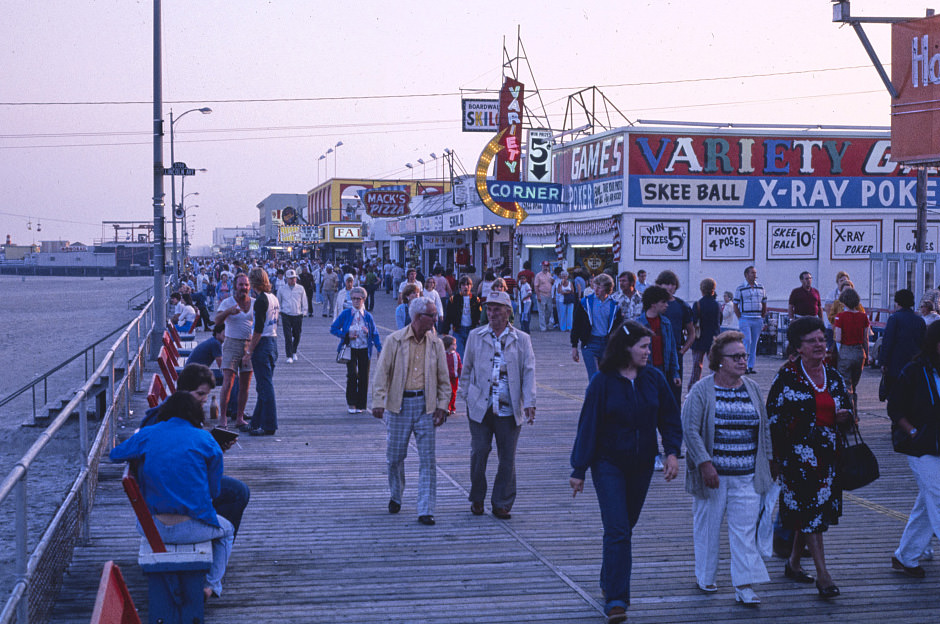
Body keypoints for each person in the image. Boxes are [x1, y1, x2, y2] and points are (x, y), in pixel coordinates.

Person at [569, 320, 682, 624]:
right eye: (644, 346)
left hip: (642, 464)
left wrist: (672, 452)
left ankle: (608, 578)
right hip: (608, 463)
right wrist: (578, 468)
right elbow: (588, 426)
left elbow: (670, 418)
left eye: (649, 346)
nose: (649, 351)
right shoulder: (602, 382)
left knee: (623, 527)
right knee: (618, 528)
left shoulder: (654, 379)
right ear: (626, 348)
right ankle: (617, 599)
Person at [110, 392, 235, 599]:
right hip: (192, 528)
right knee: (227, 530)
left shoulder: (148, 434)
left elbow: (115, 455)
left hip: (151, 528)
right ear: (197, 414)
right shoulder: (206, 440)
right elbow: (214, 492)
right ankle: (212, 585)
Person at [767, 316, 854, 599]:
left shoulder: (835, 376)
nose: (819, 345)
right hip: (797, 459)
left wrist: (844, 417)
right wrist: (774, 459)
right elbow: (775, 417)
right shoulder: (788, 376)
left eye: (822, 339)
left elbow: (848, 412)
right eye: (812, 341)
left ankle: (793, 563)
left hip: (828, 458)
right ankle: (823, 575)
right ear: (798, 347)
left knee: (812, 512)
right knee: (811, 513)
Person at [682, 331, 772, 604]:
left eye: (744, 356)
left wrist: (769, 463)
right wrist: (705, 463)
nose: (743, 361)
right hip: (713, 476)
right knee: (708, 528)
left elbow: (763, 427)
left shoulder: (752, 388)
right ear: (718, 360)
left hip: (746, 475)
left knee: (744, 531)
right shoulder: (702, 390)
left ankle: (744, 586)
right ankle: (706, 577)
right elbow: (690, 429)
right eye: (736, 357)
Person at [138, 364, 250, 537]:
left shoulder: (178, 409)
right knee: (237, 492)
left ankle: (208, 530)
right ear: (183, 391)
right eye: (200, 394)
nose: (204, 399)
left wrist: (215, 446)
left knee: (233, 490)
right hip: (170, 491)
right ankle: (212, 534)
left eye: (205, 394)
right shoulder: (166, 418)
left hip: (173, 482)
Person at [372, 297, 451, 526]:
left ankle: (425, 509)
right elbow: (381, 374)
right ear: (418, 317)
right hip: (399, 405)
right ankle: (396, 495)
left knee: (428, 460)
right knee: (394, 457)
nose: (436, 319)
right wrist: (378, 401)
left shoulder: (436, 343)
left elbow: (444, 380)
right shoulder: (394, 341)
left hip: (425, 406)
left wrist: (442, 406)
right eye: (432, 315)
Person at [457, 291, 536, 520]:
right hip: (480, 406)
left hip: (508, 407)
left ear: (508, 312)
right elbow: (467, 368)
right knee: (479, 451)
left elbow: (528, 371)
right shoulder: (475, 335)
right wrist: (466, 393)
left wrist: (529, 401)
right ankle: (477, 497)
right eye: (488, 309)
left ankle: (502, 501)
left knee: (507, 457)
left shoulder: (521, 339)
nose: (491, 314)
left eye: (497, 309)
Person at [887, 320, 940, 578]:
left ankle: (905, 556)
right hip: (921, 447)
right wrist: (913, 432)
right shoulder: (915, 371)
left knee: (927, 504)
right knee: (938, 496)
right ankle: (906, 556)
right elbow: (894, 408)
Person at [330, 286, 381, 414]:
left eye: (359, 299)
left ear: (364, 299)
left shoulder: (368, 316)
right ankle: (351, 403)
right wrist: (346, 335)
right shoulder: (346, 314)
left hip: (364, 348)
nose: (356, 301)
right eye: (353, 299)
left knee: (364, 376)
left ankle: (361, 404)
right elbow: (333, 328)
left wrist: (379, 348)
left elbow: (375, 334)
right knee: (352, 375)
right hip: (350, 348)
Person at [214, 273, 254, 430]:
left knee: (245, 384)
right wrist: (228, 312)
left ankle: (239, 417)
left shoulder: (255, 303)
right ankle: (223, 418)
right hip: (231, 343)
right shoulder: (227, 302)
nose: (243, 287)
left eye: (246, 285)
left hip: (249, 346)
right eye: (240, 284)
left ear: (249, 287)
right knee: (228, 383)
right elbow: (216, 321)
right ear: (234, 286)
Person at [245, 267, 280, 437]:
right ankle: (255, 422)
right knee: (263, 386)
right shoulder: (273, 298)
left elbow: (258, 329)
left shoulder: (260, 301)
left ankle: (269, 425)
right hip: (273, 341)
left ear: (254, 282)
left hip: (263, 343)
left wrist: (249, 350)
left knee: (265, 387)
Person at [570, 273, 621, 380]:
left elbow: (618, 328)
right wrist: (574, 345)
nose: (596, 290)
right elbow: (576, 324)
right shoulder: (586, 303)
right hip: (590, 343)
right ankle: (593, 396)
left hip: (607, 344)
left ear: (607, 288)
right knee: (594, 378)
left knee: (607, 378)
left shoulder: (614, 305)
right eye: (594, 286)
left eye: (599, 287)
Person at [656, 270, 694, 402]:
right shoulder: (653, 304)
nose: (669, 287)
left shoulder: (682, 305)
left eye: (672, 284)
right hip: (656, 353)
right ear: (659, 285)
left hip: (675, 354)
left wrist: (682, 351)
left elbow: (691, 332)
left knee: (674, 392)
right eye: (665, 284)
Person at [882, 289, 927, 399]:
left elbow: (888, 342)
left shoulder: (894, 319)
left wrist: (884, 362)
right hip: (914, 362)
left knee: (896, 396)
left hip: (895, 363)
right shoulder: (920, 320)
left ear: (897, 303)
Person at [832, 287, 870, 413]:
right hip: (859, 353)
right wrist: (867, 355)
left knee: (846, 385)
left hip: (846, 352)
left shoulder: (840, 317)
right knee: (854, 384)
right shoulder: (863, 317)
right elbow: (866, 339)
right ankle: (855, 412)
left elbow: (838, 338)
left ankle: (850, 413)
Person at [636, 285, 680, 391]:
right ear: (653, 304)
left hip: (662, 371)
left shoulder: (666, 323)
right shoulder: (638, 324)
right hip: (644, 371)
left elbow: (672, 350)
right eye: (663, 302)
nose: (666, 305)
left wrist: (675, 373)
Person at [734, 266, 767, 375]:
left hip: (757, 318)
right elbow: (736, 304)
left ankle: (751, 366)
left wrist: (762, 317)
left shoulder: (761, 287)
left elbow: (764, 303)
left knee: (754, 343)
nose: (754, 275)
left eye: (755, 273)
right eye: (752, 273)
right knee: (747, 340)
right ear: (746, 275)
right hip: (745, 318)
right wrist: (740, 318)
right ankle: (744, 364)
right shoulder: (740, 288)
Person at [690, 278, 722, 387]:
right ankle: (715, 386)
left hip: (699, 338)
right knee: (714, 366)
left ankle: (693, 388)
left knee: (696, 367)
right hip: (713, 338)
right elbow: (720, 321)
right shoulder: (717, 305)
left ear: (702, 289)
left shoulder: (698, 304)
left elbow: (693, 321)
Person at [444, 276, 482, 357]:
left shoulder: (476, 300)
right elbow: (448, 316)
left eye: (468, 285)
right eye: (463, 285)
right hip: (458, 330)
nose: (466, 287)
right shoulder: (453, 299)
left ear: (471, 286)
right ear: (460, 286)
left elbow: (479, 315)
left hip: (471, 330)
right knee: (459, 354)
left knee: (471, 355)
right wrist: (445, 331)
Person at [277, 268, 308, 364]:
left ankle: (294, 351)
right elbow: (278, 301)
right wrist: (279, 313)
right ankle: (289, 355)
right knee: (288, 336)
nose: (293, 280)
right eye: (290, 278)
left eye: (294, 278)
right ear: (286, 279)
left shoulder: (300, 288)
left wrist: (304, 312)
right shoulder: (282, 289)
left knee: (297, 335)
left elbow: (304, 301)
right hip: (286, 314)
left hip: (297, 314)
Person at [534, 261, 555, 331]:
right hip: (541, 294)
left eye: (547, 266)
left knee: (549, 311)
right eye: (544, 266)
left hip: (549, 295)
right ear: (542, 266)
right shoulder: (538, 275)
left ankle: (546, 323)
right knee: (541, 311)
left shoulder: (549, 274)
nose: (545, 267)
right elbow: (536, 286)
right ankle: (543, 327)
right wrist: (538, 296)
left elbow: (551, 283)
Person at [442, 335, 461, 415]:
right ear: (447, 345)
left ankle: (452, 406)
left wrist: (460, 373)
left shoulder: (456, 355)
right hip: (446, 377)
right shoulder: (443, 355)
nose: (455, 346)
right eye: (453, 344)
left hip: (454, 377)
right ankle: (447, 407)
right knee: (446, 392)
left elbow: (459, 365)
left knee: (453, 392)